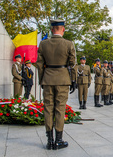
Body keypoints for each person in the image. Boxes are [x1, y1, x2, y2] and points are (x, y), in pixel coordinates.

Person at [36, 19, 77, 150]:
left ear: (52, 29)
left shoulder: (43, 44)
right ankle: (59, 140)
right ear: (63, 29)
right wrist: (74, 80)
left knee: (48, 109)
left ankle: (50, 141)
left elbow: (40, 65)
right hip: (63, 80)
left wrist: (42, 80)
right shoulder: (69, 44)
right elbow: (73, 65)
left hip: (48, 79)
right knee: (60, 109)